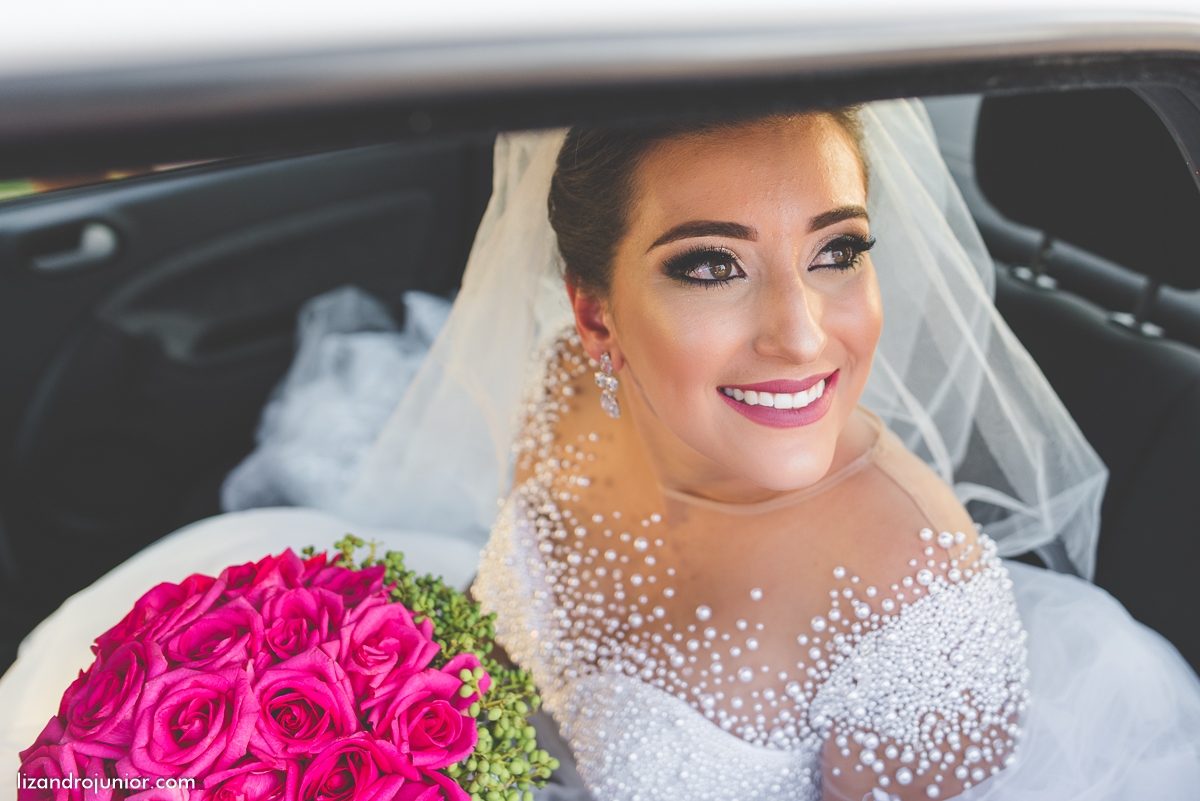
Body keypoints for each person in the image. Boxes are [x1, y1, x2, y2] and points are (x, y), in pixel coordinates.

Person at [0, 100, 1197, 801]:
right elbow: (494, 654)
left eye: (839, 249)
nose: (802, 332)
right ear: (593, 311)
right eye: (711, 264)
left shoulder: (917, 611)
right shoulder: (571, 389)